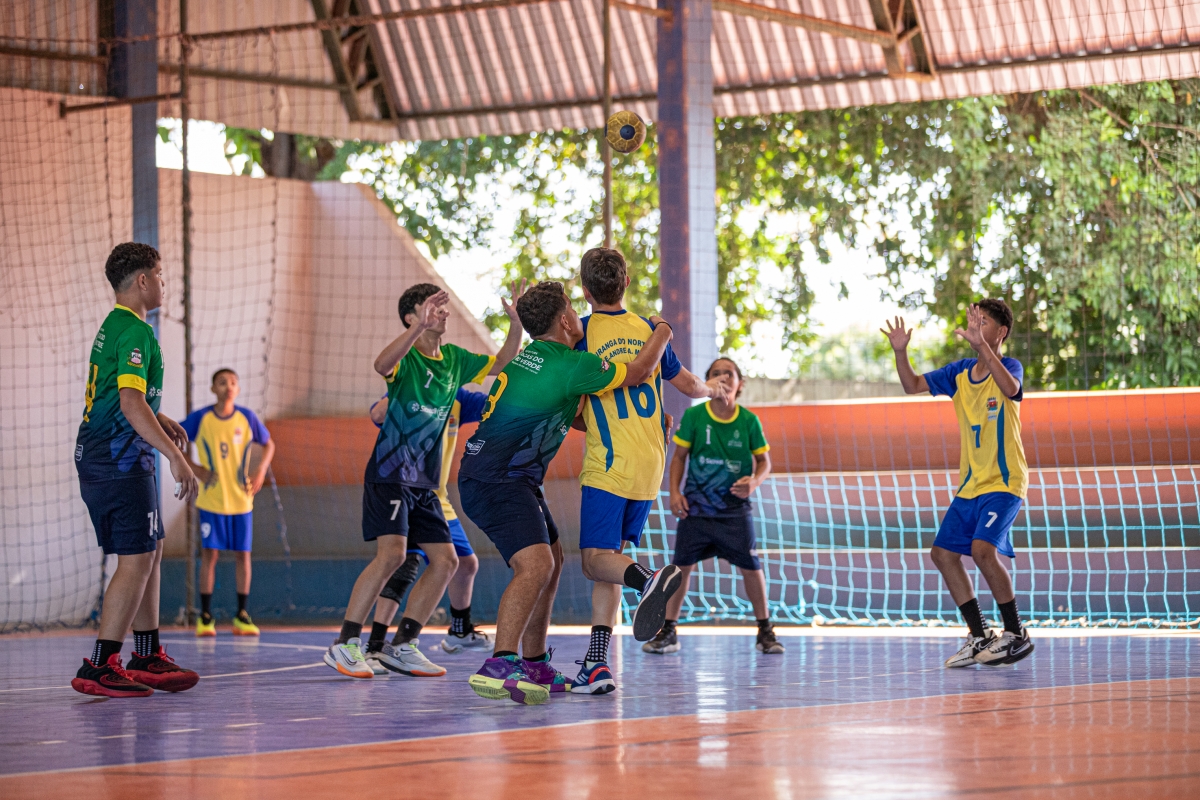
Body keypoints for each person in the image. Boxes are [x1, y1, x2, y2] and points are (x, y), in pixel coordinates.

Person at [458, 280, 679, 705]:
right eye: (572, 309)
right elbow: (638, 372)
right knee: (536, 564)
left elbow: (572, 416)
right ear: (564, 320)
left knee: (553, 560)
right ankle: (500, 663)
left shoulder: (531, 358)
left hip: (506, 476)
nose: (578, 315)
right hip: (497, 479)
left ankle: (535, 662)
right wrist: (664, 331)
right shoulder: (572, 364)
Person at [322, 282, 525, 679]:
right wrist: (418, 328)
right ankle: (345, 643)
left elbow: (503, 362)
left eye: (442, 306)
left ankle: (403, 645)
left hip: (425, 482)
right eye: (431, 306)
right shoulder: (407, 358)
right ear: (410, 317)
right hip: (391, 474)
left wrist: (516, 323)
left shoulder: (455, 360)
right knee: (392, 556)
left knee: (447, 560)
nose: (441, 312)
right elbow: (380, 365)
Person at [569, 247, 730, 693]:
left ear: (585, 291)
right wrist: (713, 389)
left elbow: (568, 406)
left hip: (610, 462)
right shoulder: (647, 329)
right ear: (625, 283)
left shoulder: (581, 333)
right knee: (610, 562)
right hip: (650, 463)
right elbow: (690, 385)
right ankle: (596, 665)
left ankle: (649, 579)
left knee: (593, 562)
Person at [71, 242, 201, 698]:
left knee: (150, 549)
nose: (164, 282)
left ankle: (145, 654)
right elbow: (129, 403)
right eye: (160, 274)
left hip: (107, 455)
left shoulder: (115, 325)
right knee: (137, 559)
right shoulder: (136, 331)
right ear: (143, 280)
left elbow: (123, 395)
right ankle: (100, 664)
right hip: (119, 460)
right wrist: (176, 456)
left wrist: (158, 418)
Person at [883, 300, 1034, 667]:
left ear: (1001, 332)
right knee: (942, 554)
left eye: (984, 322)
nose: (976, 326)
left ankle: (1016, 633)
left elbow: (1011, 387)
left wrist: (984, 348)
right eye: (973, 320)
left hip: (1005, 481)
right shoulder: (959, 373)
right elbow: (911, 384)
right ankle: (980, 635)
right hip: (970, 485)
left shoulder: (1009, 367)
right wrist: (900, 352)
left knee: (982, 550)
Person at [645, 357, 781, 655]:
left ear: (740, 384)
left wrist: (754, 482)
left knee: (752, 568)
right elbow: (679, 457)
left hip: (734, 511)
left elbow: (765, 462)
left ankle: (765, 631)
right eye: (716, 373)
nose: (722, 377)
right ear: (707, 382)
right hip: (696, 510)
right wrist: (674, 492)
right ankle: (669, 631)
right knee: (681, 568)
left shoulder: (748, 421)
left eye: (729, 373)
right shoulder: (695, 417)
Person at [361, 387, 492, 676]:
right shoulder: (411, 388)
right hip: (407, 490)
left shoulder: (459, 398)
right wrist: (405, 387)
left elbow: (496, 401)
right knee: (405, 565)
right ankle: (375, 646)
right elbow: (378, 414)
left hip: (437, 498)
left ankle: (459, 630)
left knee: (465, 564)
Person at [182, 368, 275, 637]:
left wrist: (260, 470)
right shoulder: (201, 418)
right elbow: (173, 440)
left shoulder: (247, 417)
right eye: (222, 382)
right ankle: (205, 616)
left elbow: (269, 444)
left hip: (241, 500)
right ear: (213, 389)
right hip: (211, 500)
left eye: (233, 382)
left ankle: (242, 615)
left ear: (238, 388)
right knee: (210, 555)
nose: (228, 386)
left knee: (243, 555)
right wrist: (194, 469)